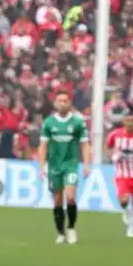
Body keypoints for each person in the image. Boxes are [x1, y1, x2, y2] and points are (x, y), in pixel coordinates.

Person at [38, 91, 91, 245]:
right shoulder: (48, 123)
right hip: (54, 166)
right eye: (59, 101)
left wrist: (87, 164)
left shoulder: (77, 123)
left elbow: (85, 144)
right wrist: (42, 166)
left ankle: (71, 228)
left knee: (71, 197)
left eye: (65, 101)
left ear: (70, 103)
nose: (62, 103)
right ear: (55, 103)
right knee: (58, 201)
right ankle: (60, 233)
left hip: (71, 165)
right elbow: (43, 146)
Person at [106, 114, 133, 238]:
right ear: (123, 122)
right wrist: (112, 156)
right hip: (122, 174)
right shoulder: (115, 134)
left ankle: (132, 224)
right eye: (127, 121)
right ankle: (125, 212)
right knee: (124, 200)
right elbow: (108, 147)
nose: (130, 123)